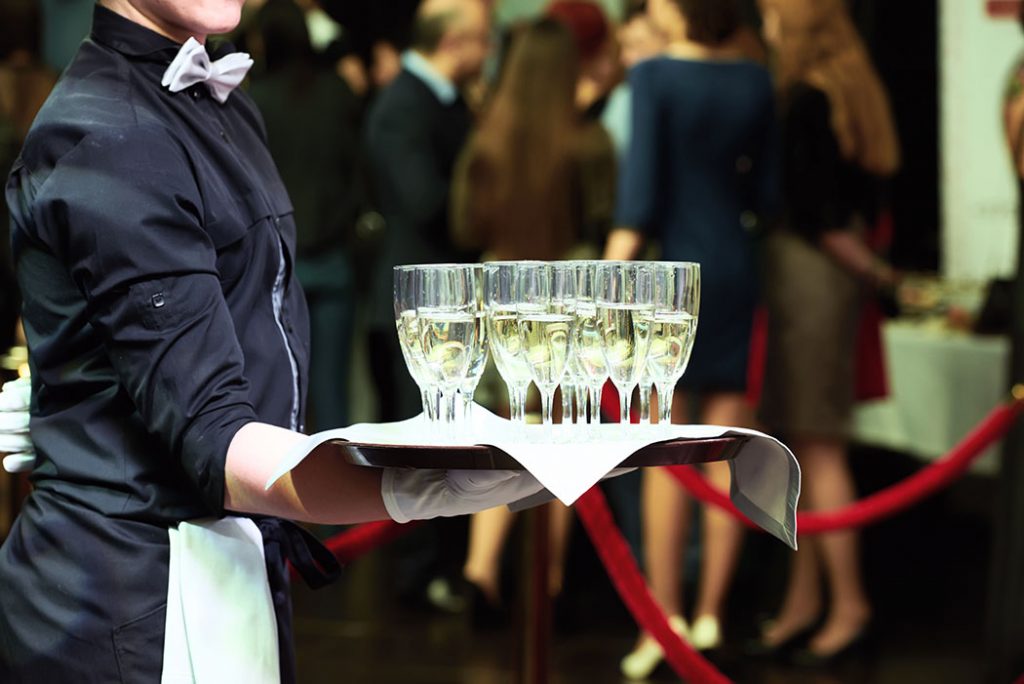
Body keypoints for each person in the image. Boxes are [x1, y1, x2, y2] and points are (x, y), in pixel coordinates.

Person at [0, 2, 542, 681]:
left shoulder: (222, 105)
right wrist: (424, 483)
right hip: (130, 595)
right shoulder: (110, 132)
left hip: (229, 562)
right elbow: (216, 438)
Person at [606, 0, 779, 677]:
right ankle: (710, 616)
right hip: (738, 266)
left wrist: (599, 287)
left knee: (665, 452)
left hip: (672, 279)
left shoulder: (653, 78)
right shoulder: (756, 80)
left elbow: (638, 202)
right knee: (724, 450)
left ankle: (663, 619)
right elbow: (767, 195)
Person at [450, 17, 616, 624]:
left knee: (498, 441)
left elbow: (465, 227)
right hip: (567, 296)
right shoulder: (588, 142)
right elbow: (604, 224)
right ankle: (547, 583)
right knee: (558, 442)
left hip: (499, 292)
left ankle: (481, 570)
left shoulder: (486, 140)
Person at [752, 0, 900, 665]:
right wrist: (874, 271)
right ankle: (804, 602)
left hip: (808, 278)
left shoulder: (805, 98)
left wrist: (870, 270)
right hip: (831, 281)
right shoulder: (852, 91)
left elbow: (814, 212)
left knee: (815, 445)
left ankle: (847, 603)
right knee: (810, 447)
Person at [364, 0, 490, 423]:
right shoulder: (404, 105)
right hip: (419, 305)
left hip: (444, 299)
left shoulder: (442, 101)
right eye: (484, 41)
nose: (489, 54)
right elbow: (424, 202)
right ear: (453, 43)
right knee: (424, 450)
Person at [248, 0, 362, 430]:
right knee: (333, 397)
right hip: (333, 257)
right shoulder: (337, 93)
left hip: (277, 266)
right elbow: (358, 174)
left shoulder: (252, 102)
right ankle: (340, 496)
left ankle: (283, 495)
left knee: (277, 394)